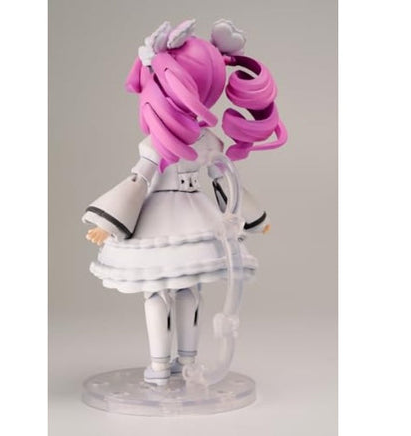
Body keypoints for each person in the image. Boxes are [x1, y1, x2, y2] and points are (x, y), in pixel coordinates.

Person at [83, 19, 287, 385]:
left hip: (182, 216)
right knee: (173, 291)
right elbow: (140, 181)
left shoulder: (200, 141)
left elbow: (225, 180)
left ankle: (179, 363)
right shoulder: (170, 141)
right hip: (179, 217)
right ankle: (165, 364)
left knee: (176, 291)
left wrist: (254, 217)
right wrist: (108, 222)